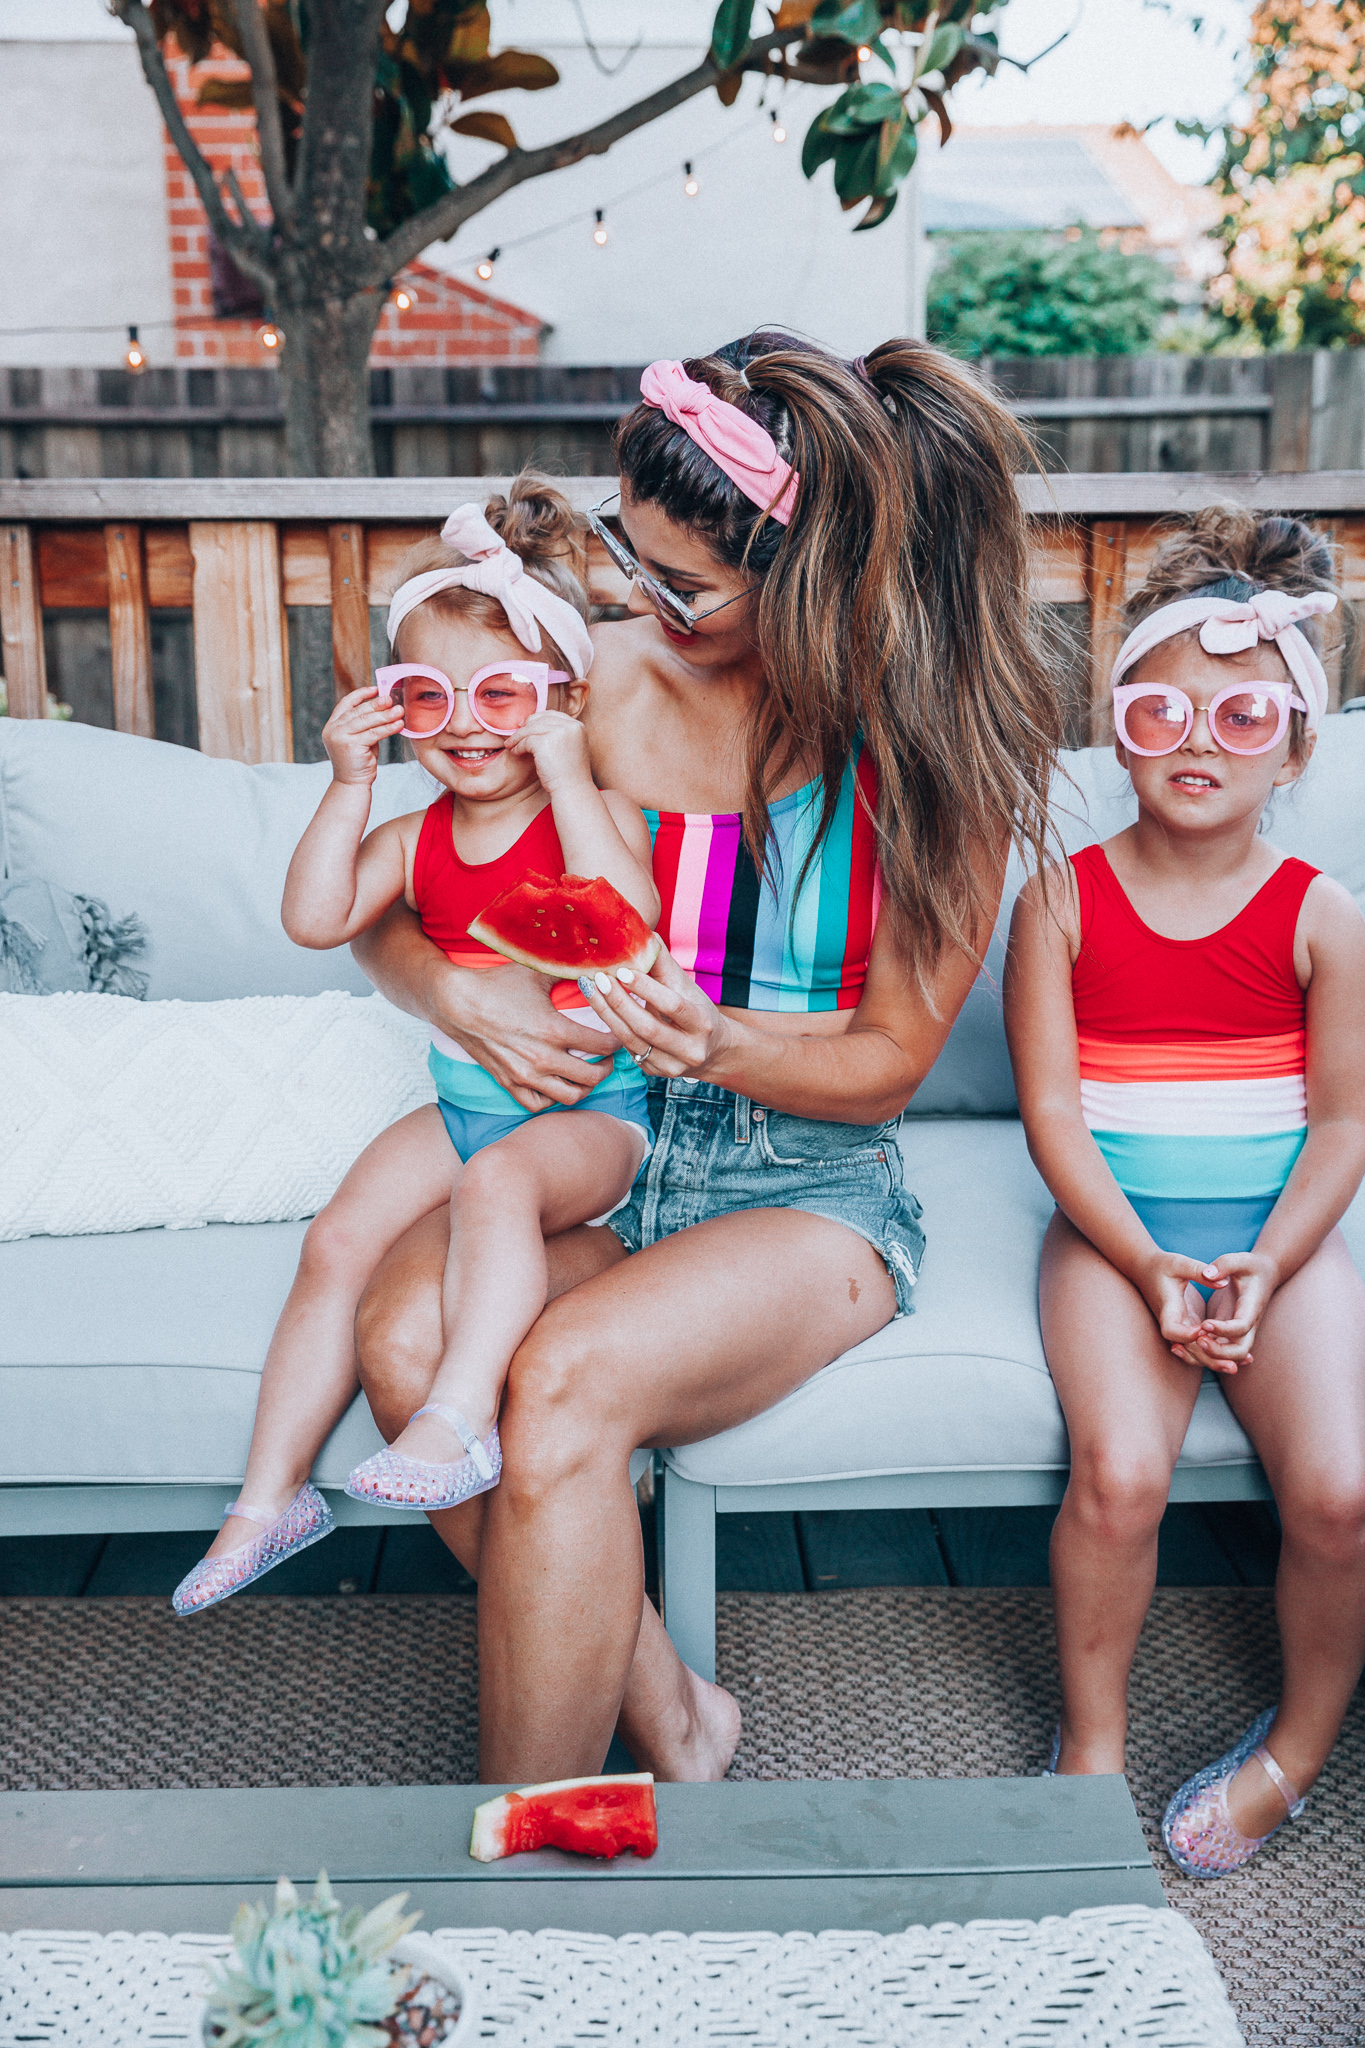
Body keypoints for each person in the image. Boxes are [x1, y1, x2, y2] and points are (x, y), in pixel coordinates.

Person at [350, 333, 1063, 1784]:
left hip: (809, 1187)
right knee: (405, 1341)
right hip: (602, 1141)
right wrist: (449, 995)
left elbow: (884, 1065)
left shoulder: (938, 763)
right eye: (632, 553)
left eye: (684, 582)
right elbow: (395, 887)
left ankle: (524, 1855)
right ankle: (675, 1715)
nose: (635, 596)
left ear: (810, 579)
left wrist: (719, 1037)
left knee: (557, 1382)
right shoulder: (595, 681)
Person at [172, 481, 658, 1616]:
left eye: (503, 693)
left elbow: (624, 920)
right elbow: (315, 916)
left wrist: (575, 770)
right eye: (427, 698)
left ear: (561, 698)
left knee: (497, 1183)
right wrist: (348, 784)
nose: (468, 724)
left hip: (595, 1124)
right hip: (465, 1100)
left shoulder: (594, 811)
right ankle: (268, 1497)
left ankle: (454, 1415)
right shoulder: (416, 834)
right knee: (338, 1237)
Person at [1005, 509, 1365, 1879]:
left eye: (1238, 717)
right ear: (1117, 731)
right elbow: (1051, 1117)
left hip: (1278, 1245)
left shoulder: (1326, 915)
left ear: (1295, 743)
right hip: (1115, 1246)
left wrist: (1268, 1265)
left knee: (1338, 1492)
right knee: (1120, 1474)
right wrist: (1148, 1266)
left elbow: (1340, 1123)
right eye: (1162, 714)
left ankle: (1297, 1748)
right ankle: (1089, 1747)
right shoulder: (1060, 901)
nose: (1199, 744)